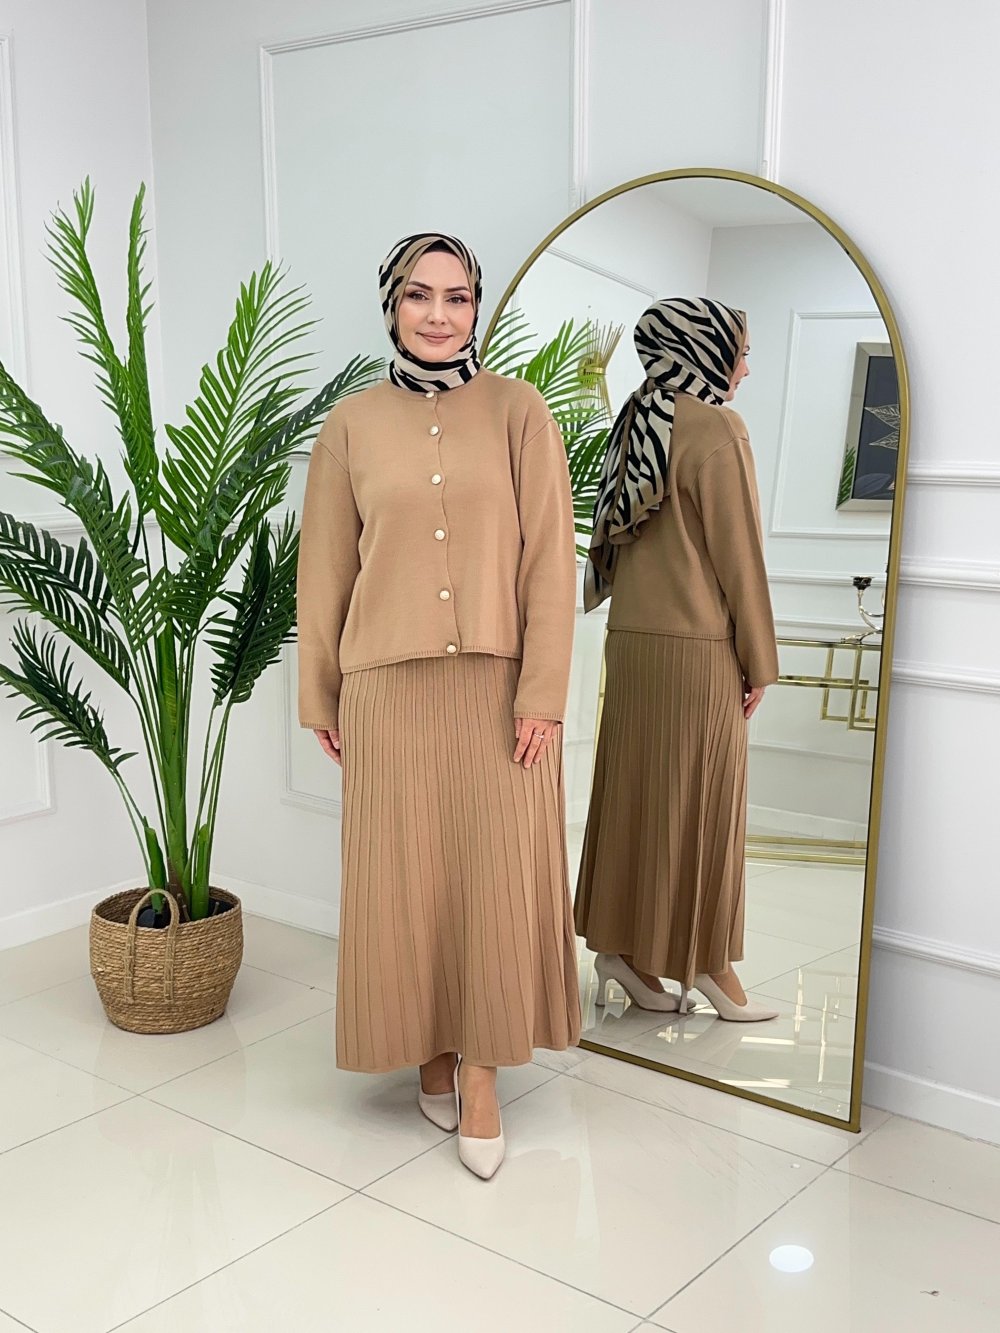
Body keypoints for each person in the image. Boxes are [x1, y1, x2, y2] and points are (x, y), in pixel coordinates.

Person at [296, 233, 581, 1179]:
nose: (438, 314)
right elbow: (325, 570)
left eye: (457, 297)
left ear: (475, 308)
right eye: (419, 295)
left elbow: (550, 560)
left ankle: (484, 1073)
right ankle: (428, 1049)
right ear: (392, 305)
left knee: (494, 880)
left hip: (499, 689)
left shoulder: (518, 409)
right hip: (386, 688)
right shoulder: (349, 425)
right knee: (407, 880)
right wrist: (323, 694)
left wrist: (543, 692)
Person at [574, 297, 779, 1023]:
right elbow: (739, 556)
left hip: (631, 646)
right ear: (705, 348)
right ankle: (710, 965)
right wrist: (759, 661)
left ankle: (621, 953)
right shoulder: (716, 428)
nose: (745, 367)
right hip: (697, 652)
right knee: (703, 808)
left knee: (633, 800)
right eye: (740, 350)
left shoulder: (639, 419)